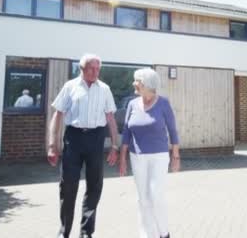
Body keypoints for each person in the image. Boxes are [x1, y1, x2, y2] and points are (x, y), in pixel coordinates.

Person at [47, 54, 120, 238]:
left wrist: (114, 146)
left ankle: (86, 232)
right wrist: (52, 145)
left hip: (96, 138)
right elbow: (58, 115)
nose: (95, 72)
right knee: (68, 185)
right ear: (82, 69)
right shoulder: (70, 86)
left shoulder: (104, 89)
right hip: (74, 138)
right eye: (91, 68)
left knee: (94, 185)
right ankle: (64, 231)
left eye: (98, 69)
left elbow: (110, 118)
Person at [119, 68, 180, 238]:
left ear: (146, 84)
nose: (134, 83)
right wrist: (123, 158)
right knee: (143, 199)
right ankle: (147, 234)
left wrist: (175, 156)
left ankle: (164, 233)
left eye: (136, 80)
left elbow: (173, 130)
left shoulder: (163, 103)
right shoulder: (132, 104)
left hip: (159, 156)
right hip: (137, 156)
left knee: (156, 195)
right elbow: (126, 132)